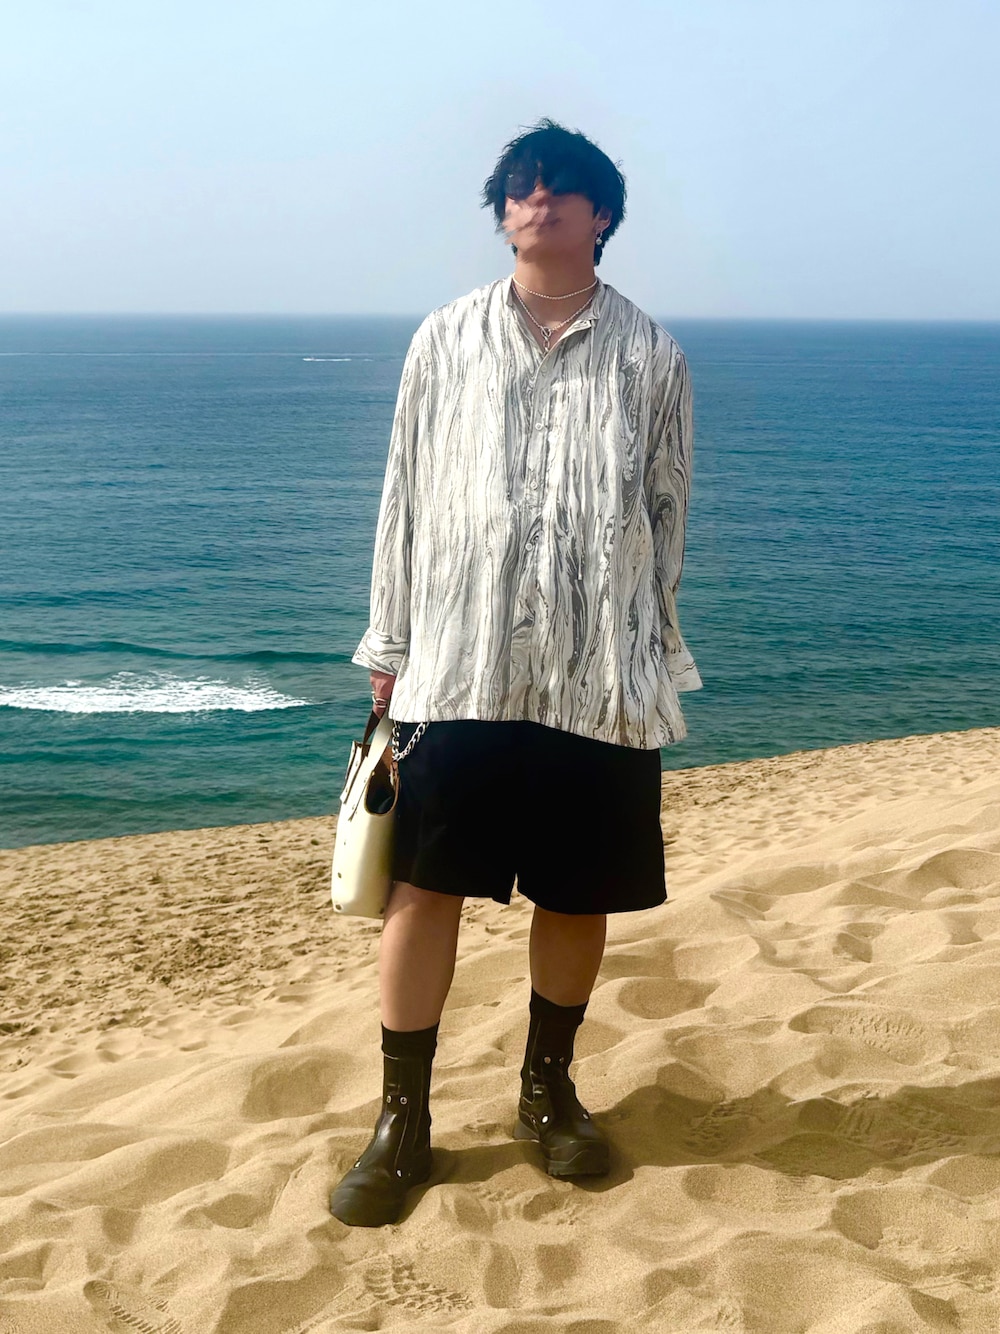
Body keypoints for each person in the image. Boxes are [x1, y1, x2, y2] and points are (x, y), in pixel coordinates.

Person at [330, 118, 703, 1228]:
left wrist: (649, 651)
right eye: (519, 189)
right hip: (461, 665)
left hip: (598, 677)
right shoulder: (443, 339)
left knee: (577, 892)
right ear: (502, 214)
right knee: (422, 888)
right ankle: (402, 1120)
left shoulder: (651, 355)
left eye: (559, 188)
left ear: (601, 214)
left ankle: (549, 1093)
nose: (535, 202)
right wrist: (390, 649)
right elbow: (404, 497)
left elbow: (667, 513)